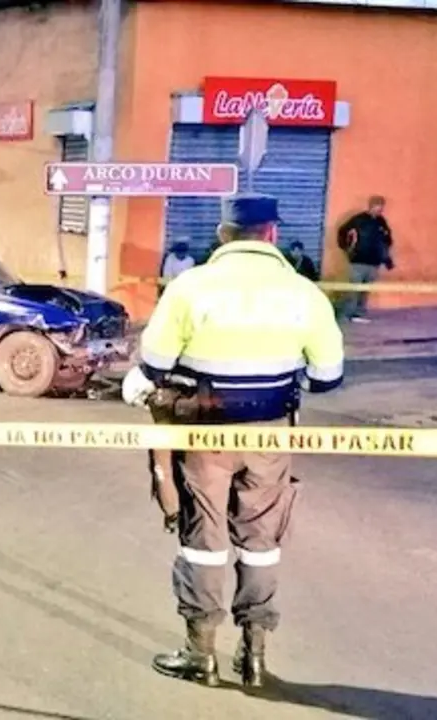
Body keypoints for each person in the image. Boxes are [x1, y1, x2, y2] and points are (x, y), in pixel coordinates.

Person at [122, 193, 344, 688]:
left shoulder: (190, 288)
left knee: (204, 540)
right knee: (261, 542)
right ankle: (255, 653)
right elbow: (328, 376)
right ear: (272, 235)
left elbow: (154, 363)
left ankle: (200, 653)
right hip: (270, 433)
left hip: (204, 432)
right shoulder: (304, 292)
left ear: (223, 235)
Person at [336, 195, 394, 323]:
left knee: (365, 291)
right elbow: (343, 231)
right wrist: (347, 249)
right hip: (358, 261)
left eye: (381, 209)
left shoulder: (381, 222)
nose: (379, 211)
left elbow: (387, 239)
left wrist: (385, 257)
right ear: (371, 206)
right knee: (353, 289)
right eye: (377, 208)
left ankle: (359, 314)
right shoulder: (358, 220)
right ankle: (346, 314)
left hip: (373, 263)